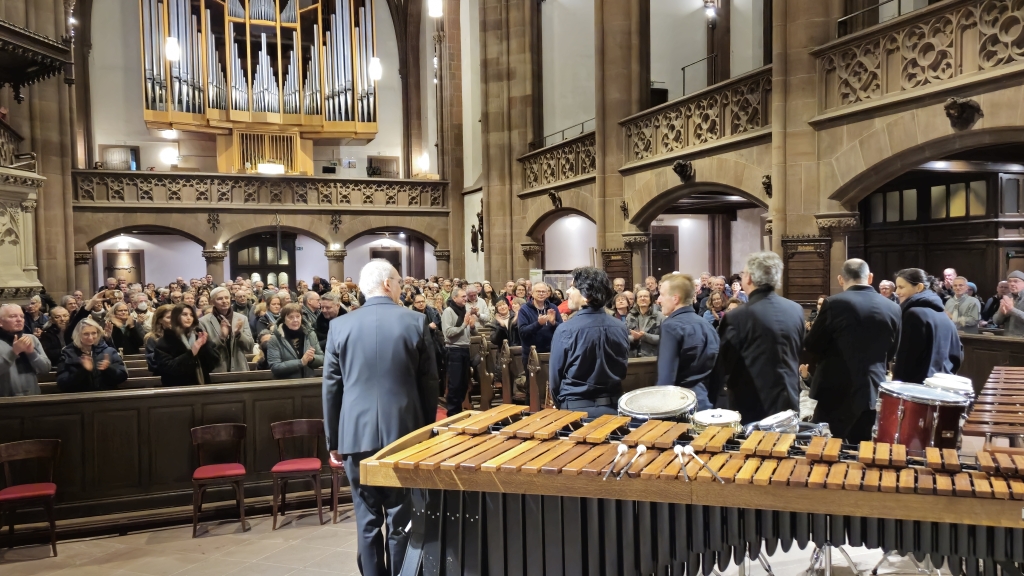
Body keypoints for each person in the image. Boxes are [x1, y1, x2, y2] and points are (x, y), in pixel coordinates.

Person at [322, 260, 438, 576]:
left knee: (367, 519)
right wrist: (426, 432)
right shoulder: (415, 322)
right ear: (387, 284)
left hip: (355, 436)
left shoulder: (340, 326)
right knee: (401, 518)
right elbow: (429, 384)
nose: (402, 288)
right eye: (399, 282)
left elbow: (332, 388)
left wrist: (333, 439)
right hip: (403, 434)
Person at [803, 259, 901, 442]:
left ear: (841, 279)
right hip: (870, 388)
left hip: (834, 389)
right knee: (861, 447)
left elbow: (812, 344)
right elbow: (893, 350)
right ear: (870, 278)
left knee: (824, 448)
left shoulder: (834, 303)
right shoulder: (894, 308)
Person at [712, 252, 804, 424]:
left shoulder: (737, 317)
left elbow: (723, 365)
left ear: (749, 278)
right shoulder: (796, 310)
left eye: (743, 274)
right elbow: (797, 352)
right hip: (790, 402)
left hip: (752, 406)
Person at [547, 267, 629, 417]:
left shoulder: (566, 329)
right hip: (612, 408)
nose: (568, 292)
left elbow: (555, 379)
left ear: (586, 296)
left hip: (575, 409)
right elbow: (622, 368)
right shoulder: (620, 327)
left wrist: (562, 405)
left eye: (573, 287)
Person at [656, 274, 720, 411]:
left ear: (675, 298)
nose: (658, 300)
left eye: (661, 294)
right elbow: (717, 374)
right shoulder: (706, 324)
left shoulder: (671, 326)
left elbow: (666, 379)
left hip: (680, 405)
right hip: (705, 403)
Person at [892, 268, 963, 383]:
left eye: (901, 287)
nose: (897, 292)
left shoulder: (914, 314)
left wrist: (897, 385)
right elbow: (957, 354)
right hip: (941, 387)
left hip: (917, 390)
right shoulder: (944, 315)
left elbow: (906, 361)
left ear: (919, 287)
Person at [56, 318, 128, 393]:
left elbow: (123, 376)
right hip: (79, 399)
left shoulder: (109, 351)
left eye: (94, 333)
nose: (90, 337)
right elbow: (62, 384)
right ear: (78, 335)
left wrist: (108, 369)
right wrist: (83, 371)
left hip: (106, 397)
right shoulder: (68, 353)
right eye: (86, 334)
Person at [154, 304, 219, 386]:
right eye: (184, 314)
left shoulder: (198, 335)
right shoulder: (166, 341)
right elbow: (169, 368)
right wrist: (192, 353)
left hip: (201, 385)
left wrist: (205, 346)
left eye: (191, 315)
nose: (189, 318)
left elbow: (213, 363)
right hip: (177, 389)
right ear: (176, 317)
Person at [199, 287, 255, 373]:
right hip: (216, 370)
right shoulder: (203, 322)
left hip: (239, 369)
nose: (224, 301)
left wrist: (238, 334)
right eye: (220, 299)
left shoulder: (241, 318)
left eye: (226, 297)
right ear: (212, 302)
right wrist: (221, 337)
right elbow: (205, 352)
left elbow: (249, 346)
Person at [442, 288, 479, 417]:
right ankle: (452, 414)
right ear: (454, 298)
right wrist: (464, 324)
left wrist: (472, 326)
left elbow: (472, 333)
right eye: (462, 296)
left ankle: (459, 411)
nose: (465, 298)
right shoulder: (448, 311)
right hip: (454, 350)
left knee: (464, 384)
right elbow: (448, 333)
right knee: (455, 384)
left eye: (465, 297)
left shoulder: (465, 311)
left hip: (465, 350)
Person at [0, 304, 50, 397]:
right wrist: (13, 353)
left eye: (22, 316)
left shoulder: (32, 339)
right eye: (13, 316)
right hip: (5, 402)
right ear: (0, 322)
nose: (19, 319)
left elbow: (45, 369)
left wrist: (31, 353)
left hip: (33, 398)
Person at [266, 303, 323, 379]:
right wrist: (301, 362)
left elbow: (322, 358)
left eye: (298, 316)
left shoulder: (310, 334)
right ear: (284, 319)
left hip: (308, 383)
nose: (295, 320)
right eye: (291, 317)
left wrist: (312, 359)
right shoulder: (275, 339)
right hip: (286, 385)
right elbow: (275, 367)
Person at [517, 282, 562, 376]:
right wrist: (538, 324)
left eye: (543, 292)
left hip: (551, 353)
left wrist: (554, 323)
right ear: (532, 293)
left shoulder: (553, 307)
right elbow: (522, 332)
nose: (541, 294)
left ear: (547, 294)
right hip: (532, 354)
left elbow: (562, 329)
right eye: (538, 291)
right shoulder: (524, 309)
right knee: (533, 386)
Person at [626, 289, 662, 358]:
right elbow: (624, 336)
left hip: (652, 356)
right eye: (640, 297)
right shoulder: (630, 316)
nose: (643, 298)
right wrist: (634, 338)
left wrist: (645, 336)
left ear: (650, 300)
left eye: (645, 296)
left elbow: (663, 338)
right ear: (636, 300)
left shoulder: (660, 316)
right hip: (633, 356)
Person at [144, 305, 174, 375]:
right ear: (160, 320)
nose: (173, 320)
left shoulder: (184, 335)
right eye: (169, 317)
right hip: (163, 376)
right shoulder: (152, 338)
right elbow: (153, 364)